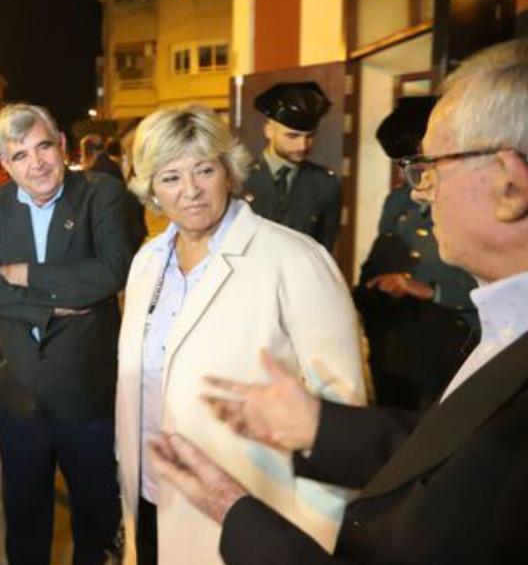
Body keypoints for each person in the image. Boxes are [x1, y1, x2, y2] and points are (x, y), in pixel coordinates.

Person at [148, 38, 528, 564]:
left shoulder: (301, 252)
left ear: (509, 184)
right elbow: (452, 460)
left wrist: (236, 510)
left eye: (431, 167)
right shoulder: (506, 327)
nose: (419, 191)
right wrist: (321, 428)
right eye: (169, 177)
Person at [116, 105, 366, 565]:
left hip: (253, 517)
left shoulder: (294, 260)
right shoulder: (146, 262)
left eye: (204, 170)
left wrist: (312, 539)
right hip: (153, 498)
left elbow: (342, 417)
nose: (190, 191)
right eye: (170, 177)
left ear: (228, 172)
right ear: (150, 188)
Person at [0, 103, 139, 565]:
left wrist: (24, 273)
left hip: (87, 394)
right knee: (24, 520)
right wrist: (52, 303)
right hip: (18, 395)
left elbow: (110, 272)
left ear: (62, 145)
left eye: (43, 147)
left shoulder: (101, 194)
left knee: (96, 521)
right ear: (5, 164)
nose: (36, 163)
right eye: (19, 155)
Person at [356, 96, 477, 410]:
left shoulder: (474, 204)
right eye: (400, 165)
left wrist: (429, 290)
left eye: (413, 163)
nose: (407, 177)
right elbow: (379, 259)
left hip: (448, 348)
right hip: (394, 346)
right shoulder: (398, 202)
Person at [242, 82, 342, 251]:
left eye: (310, 136)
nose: (303, 146)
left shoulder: (325, 184)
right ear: (269, 131)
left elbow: (324, 251)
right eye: (292, 136)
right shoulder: (239, 179)